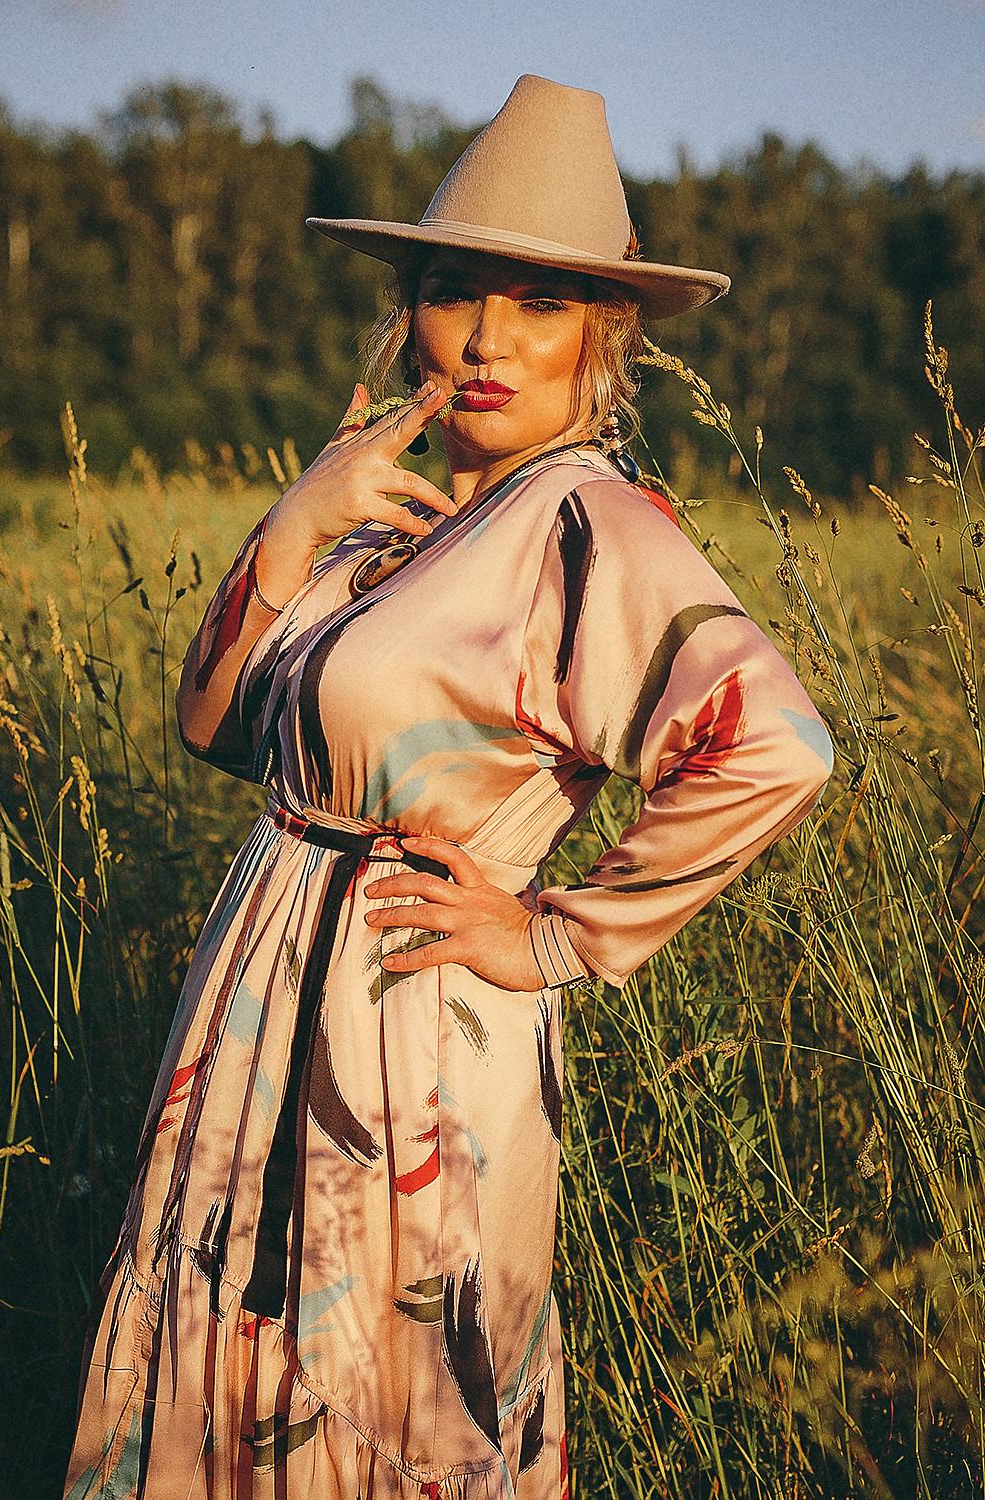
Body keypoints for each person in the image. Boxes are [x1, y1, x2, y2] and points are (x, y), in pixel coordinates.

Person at [63, 74, 834, 1499]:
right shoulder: (392, 520)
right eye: (449, 291)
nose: (485, 338)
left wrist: (556, 933)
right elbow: (213, 725)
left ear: (602, 334)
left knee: (387, 1388)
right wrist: (291, 529)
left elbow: (777, 741)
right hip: (257, 990)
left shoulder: (588, 525)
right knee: (228, 1370)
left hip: (408, 1022)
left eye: (537, 303)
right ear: (406, 310)